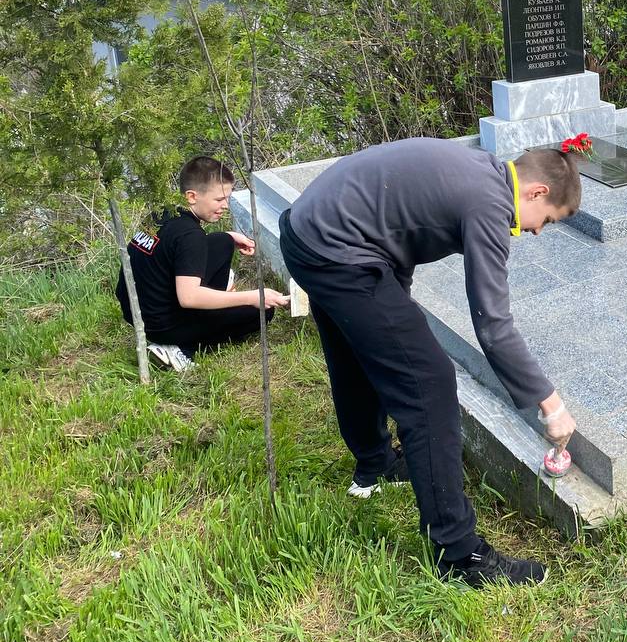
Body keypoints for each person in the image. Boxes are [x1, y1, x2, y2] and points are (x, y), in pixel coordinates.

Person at [278, 137, 582, 589]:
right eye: (548, 220)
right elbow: (493, 326)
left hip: (308, 232)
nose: (538, 231)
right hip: (336, 251)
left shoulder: (481, 170)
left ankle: (376, 464)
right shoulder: (490, 203)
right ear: (537, 192)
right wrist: (551, 406)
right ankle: (459, 554)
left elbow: (398, 229)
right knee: (431, 383)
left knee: (358, 350)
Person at [116, 156, 289, 372]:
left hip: (136, 312)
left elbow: (172, 252)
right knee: (263, 312)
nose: (225, 206)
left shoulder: (164, 213)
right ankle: (178, 348)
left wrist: (229, 237)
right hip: (162, 326)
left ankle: (196, 318)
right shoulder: (190, 235)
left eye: (227, 198)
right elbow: (189, 298)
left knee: (223, 241)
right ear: (192, 196)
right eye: (219, 199)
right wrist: (254, 296)